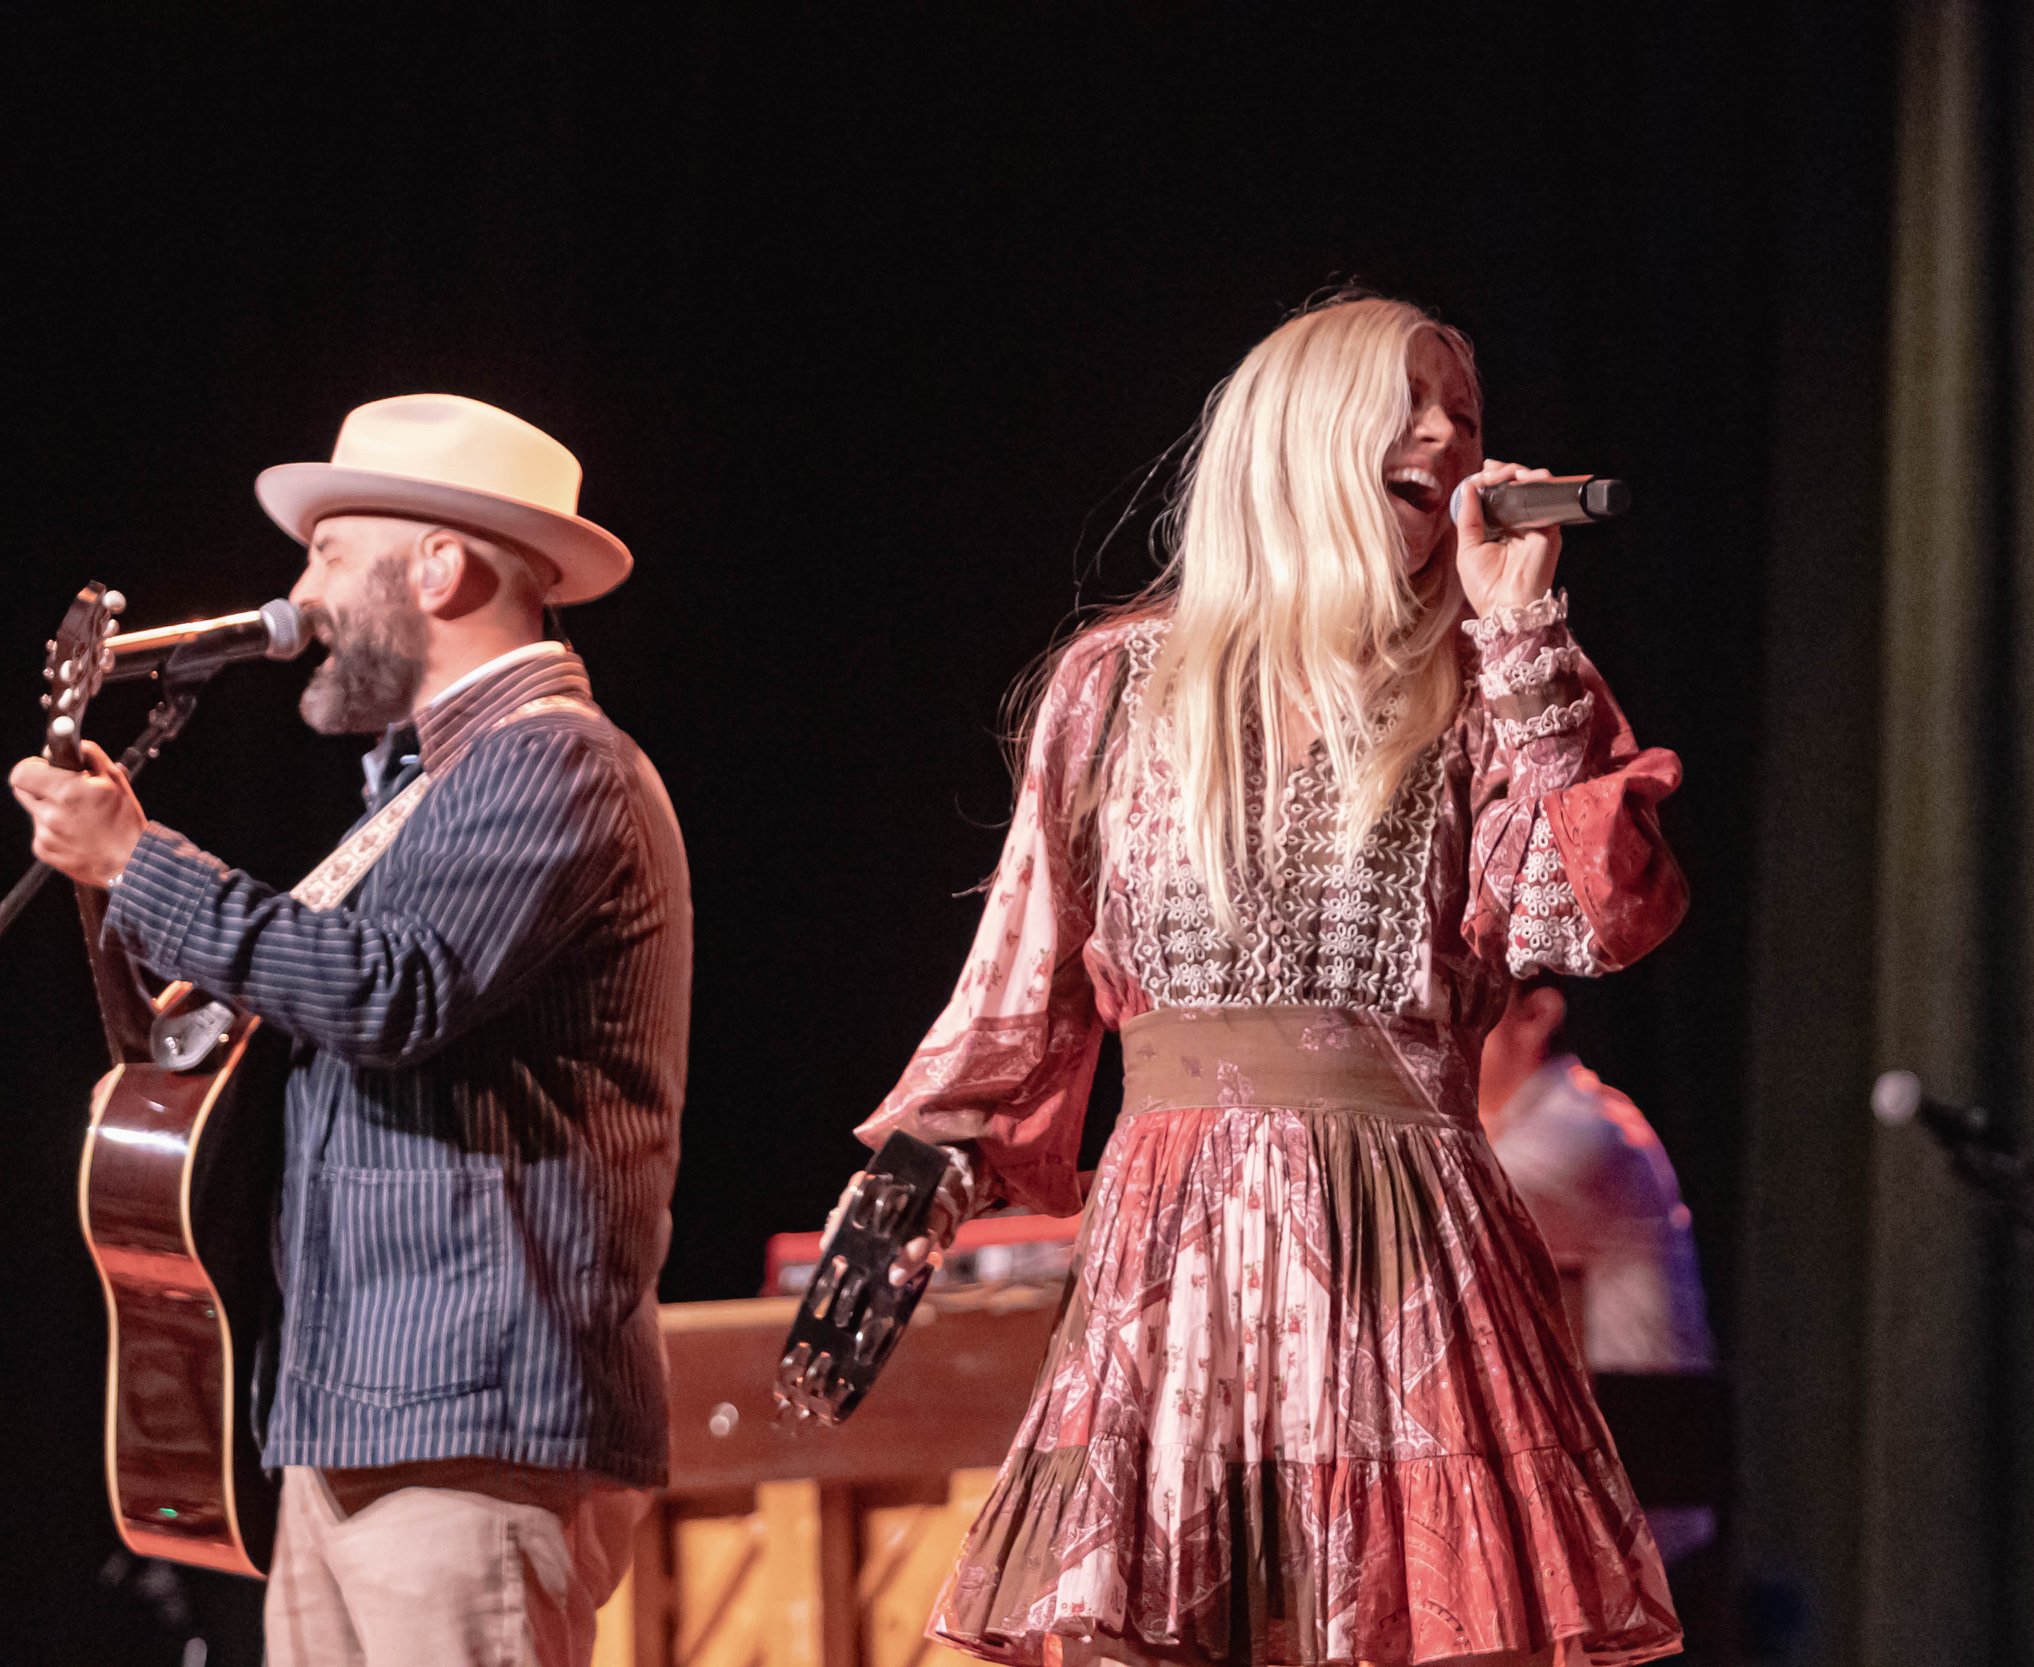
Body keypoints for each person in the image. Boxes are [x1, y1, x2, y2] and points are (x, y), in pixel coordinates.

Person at [847, 295, 1692, 1667]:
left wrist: (1525, 635)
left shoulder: (1490, 681)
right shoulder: (1116, 686)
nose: (1447, 435)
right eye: (1408, 403)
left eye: (1465, 413)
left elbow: (1593, 919)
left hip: (1404, 1248)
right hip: (1171, 1254)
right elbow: (1021, 976)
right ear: (1297, 435)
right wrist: (911, 1182)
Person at [10, 394, 692, 1667]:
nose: (301, 595)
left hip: (470, 1423)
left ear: (440, 567)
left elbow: (394, 991)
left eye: (328, 552)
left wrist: (141, 863)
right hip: (361, 1416)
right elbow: (312, 999)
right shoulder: (430, 789)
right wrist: (123, 883)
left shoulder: (555, 766)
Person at [1478, 981, 1719, 1567]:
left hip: (1632, 1516)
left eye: (1465, 999)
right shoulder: (1519, 1130)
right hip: (1571, 1504)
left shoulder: (1583, 1131)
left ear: (1536, 1015)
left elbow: (1414, 1229)